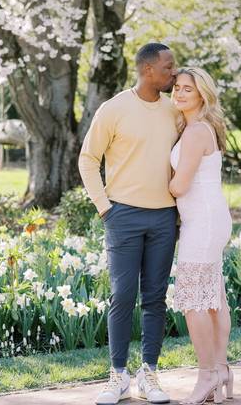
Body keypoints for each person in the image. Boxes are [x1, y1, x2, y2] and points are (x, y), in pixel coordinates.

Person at [78, 42, 180, 405]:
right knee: (122, 296)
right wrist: (106, 209)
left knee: (155, 298)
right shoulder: (114, 108)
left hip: (165, 217)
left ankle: (148, 374)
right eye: (169, 67)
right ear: (147, 70)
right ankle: (117, 375)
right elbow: (88, 159)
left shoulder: (174, 110)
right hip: (122, 215)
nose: (174, 73)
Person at [169, 67, 234, 405]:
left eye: (187, 90)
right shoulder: (201, 127)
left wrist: (161, 184)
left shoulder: (196, 132)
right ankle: (221, 370)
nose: (179, 94)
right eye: (177, 88)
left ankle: (207, 374)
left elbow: (180, 185)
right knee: (213, 300)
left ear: (202, 95)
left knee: (194, 301)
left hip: (204, 223)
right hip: (209, 219)